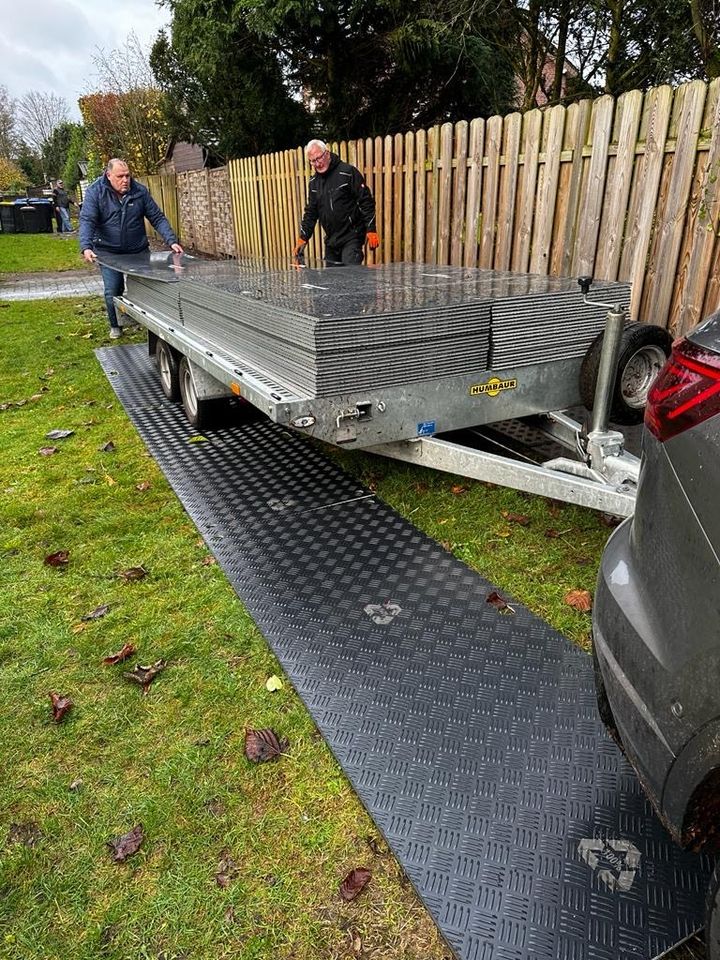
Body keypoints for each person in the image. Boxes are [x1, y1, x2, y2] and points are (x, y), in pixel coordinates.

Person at [79, 158, 183, 339]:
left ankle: (150, 324)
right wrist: (86, 246)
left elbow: (156, 217)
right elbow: (87, 219)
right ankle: (116, 325)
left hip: (137, 250)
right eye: (120, 176)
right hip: (108, 251)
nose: (125, 180)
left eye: (128, 176)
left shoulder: (139, 192)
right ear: (108, 175)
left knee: (146, 287)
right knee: (113, 289)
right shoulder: (96, 192)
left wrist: (171, 240)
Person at [293, 139, 379, 266]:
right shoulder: (313, 183)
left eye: (319, 158)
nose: (317, 164)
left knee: (350, 277)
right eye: (313, 161)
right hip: (332, 240)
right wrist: (303, 237)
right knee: (330, 280)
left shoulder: (347, 172)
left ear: (327, 154)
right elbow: (311, 212)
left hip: (351, 236)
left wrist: (371, 229)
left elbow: (365, 201)